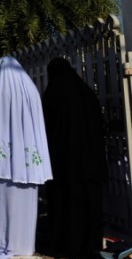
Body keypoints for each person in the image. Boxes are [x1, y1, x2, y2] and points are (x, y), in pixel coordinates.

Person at [0, 56, 52, 257]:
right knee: (27, 205)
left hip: (5, 164)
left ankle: (3, 242)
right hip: (29, 163)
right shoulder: (32, 91)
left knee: (5, 205)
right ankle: (25, 245)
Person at [42, 57, 106, 258]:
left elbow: (47, 129)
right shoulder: (86, 93)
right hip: (89, 163)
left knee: (67, 205)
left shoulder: (53, 94)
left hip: (64, 165)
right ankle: (91, 243)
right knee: (88, 204)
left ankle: (67, 244)